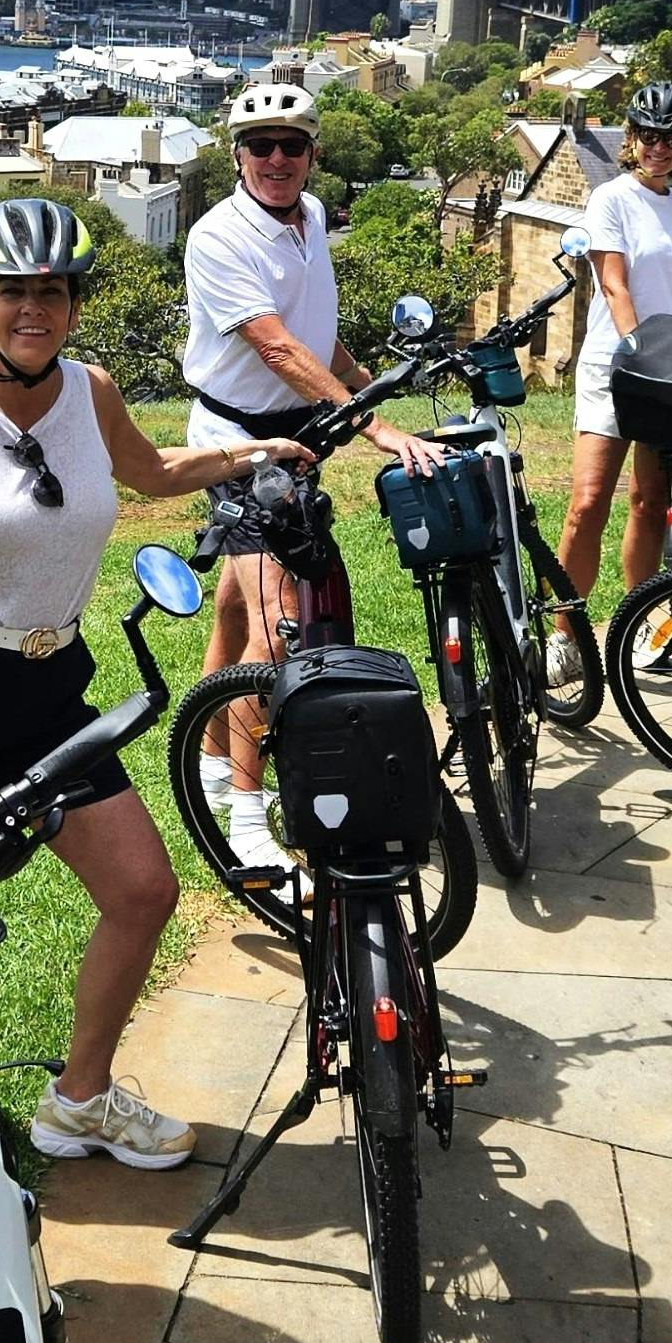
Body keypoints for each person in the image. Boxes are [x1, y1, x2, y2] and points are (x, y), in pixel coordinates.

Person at [0, 196, 313, 1169]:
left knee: (143, 888)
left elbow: (149, 472)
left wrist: (250, 450)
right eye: (14, 291)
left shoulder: (89, 390)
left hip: (46, 688)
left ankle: (79, 1098)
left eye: (54, 291)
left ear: (74, 300)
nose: (35, 308)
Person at [179, 81, 443, 870]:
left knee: (236, 602)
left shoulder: (312, 219)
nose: (275, 159)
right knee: (279, 623)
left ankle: (214, 764)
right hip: (241, 444)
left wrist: (367, 397)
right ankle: (252, 818)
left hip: (300, 439)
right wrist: (374, 426)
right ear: (237, 155)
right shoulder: (217, 236)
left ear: (312, 154)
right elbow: (274, 347)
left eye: (291, 144)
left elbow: (315, 342)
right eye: (259, 145)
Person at [554, 81, 672, 680]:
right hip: (615, 367)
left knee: (651, 504)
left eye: (671, 137)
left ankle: (643, 620)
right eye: (648, 135)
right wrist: (640, 349)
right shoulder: (610, 200)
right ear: (632, 138)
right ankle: (566, 634)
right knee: (587, 504)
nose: (659, 147)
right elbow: (615, 285)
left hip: (670, 374)